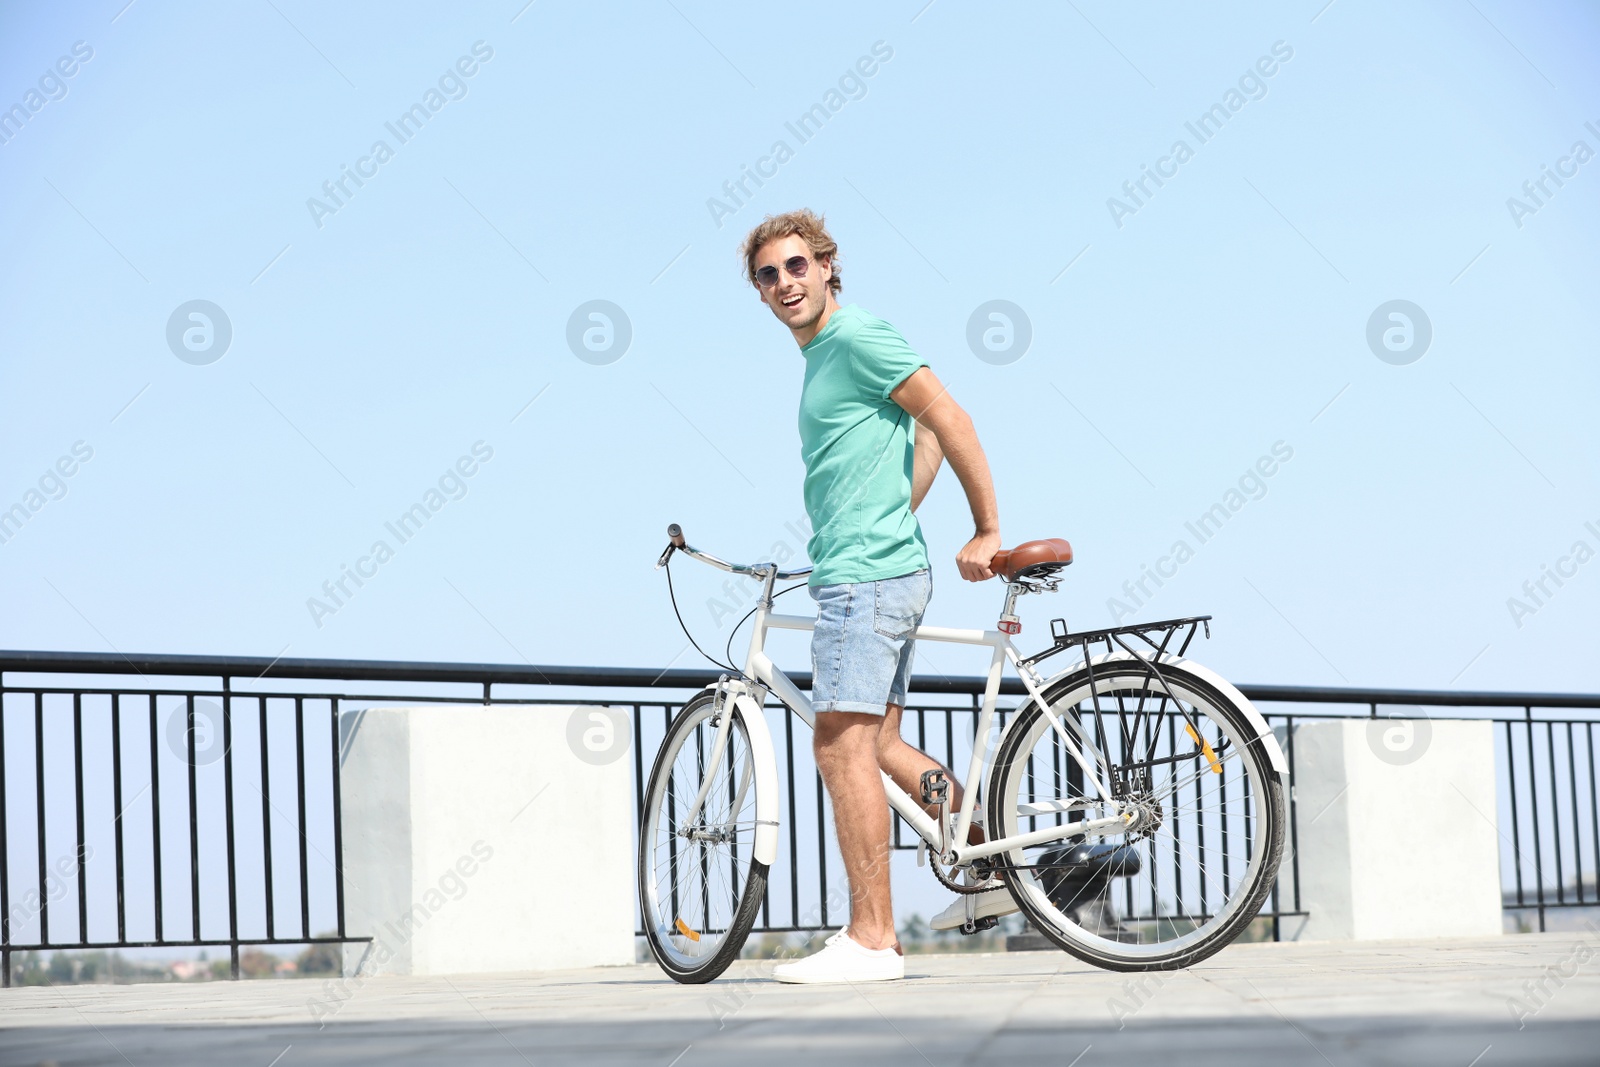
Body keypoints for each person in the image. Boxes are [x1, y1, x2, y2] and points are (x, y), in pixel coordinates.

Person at [739, 209, 1017, 985]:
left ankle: (872, 937)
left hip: (865, 578)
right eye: (769, 274)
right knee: (882, 742)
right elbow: (918, 436)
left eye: (798, 266)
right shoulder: (822, 356)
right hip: (867, 565)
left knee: (840, 745)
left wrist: (988, 527)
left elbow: (948, 416)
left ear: (827, 266)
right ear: (759, 293)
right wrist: (890, 517)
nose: (785, 282)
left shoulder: (856, 335)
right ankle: (989, 862)